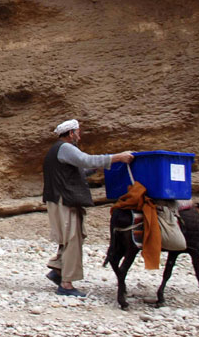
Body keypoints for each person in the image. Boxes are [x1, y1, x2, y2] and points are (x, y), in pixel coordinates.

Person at [42, 119, 133, 297]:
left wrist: (102, 166)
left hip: (59, 199)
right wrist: (118, 157)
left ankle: (58, 270)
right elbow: (86, 160)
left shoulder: (58, 150)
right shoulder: (66, 148)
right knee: (72, 238)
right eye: (78, 132)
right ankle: (66, 284)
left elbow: (80, 170)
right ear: (71, 134)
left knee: (71, 237)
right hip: (64, 200)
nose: (79, 136)